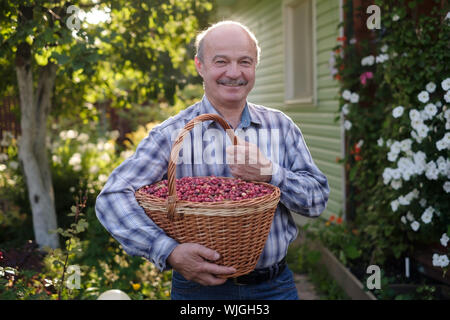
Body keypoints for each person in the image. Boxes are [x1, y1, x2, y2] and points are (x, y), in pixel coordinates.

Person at [95, 20, 329, 300]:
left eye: (245, 61)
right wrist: (167, 251)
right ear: (200, 66)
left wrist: (271, 174)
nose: (234, 73)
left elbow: (316, 201)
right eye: (221, 62)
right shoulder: (171, 135)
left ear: (255, 66)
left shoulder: (281, 127)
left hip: (274, 287)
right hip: (198, 291)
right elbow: (112, 197)